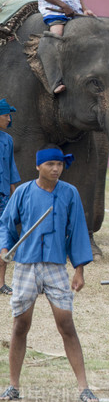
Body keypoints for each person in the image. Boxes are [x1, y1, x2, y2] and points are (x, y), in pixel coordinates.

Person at [0, 146, 97, 402]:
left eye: (60, 165)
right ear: (38, 166)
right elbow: (6, 225)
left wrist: (79, 270)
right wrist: (5, 248)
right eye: (51, 164)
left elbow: (77, 231)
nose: (56, 169)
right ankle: (13, 385)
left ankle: (84, 387)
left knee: (66, 324)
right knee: (21, 325)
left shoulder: (70, 193)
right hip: (26, 266)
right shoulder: (22, 193)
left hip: (55, 266)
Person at [0, 99, 20, 295]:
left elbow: (11, 169)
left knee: (4, 238)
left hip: (4, 198)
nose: (9, 118)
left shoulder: (7, 140)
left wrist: (16, 197)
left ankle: (1, 283)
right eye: (6, 115)